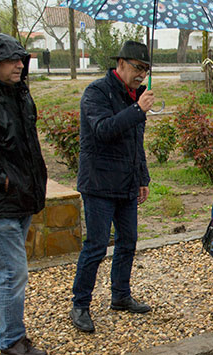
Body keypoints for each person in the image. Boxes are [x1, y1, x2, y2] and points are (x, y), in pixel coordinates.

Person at [69, 41, 155, 334]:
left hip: (127, 182)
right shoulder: (96, 92)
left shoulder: (138, 96)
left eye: (145, 69)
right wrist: (137, 109)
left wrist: (142, 177)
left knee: (128, 242)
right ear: (120, 63)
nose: (141, 74)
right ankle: (80, 304)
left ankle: (120, 296)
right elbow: (103, 130)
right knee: (95, 246)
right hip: (99, 183)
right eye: (136, 67)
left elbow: (135, 142)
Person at [0, 33, 48, 355]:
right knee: (14, 270)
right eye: (12, 59)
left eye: (22, 58)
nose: (20, 64)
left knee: (0, 266)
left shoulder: (21, 95)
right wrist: (1, 181)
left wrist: (29, 184)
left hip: (22, 195)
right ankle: (12, 339)